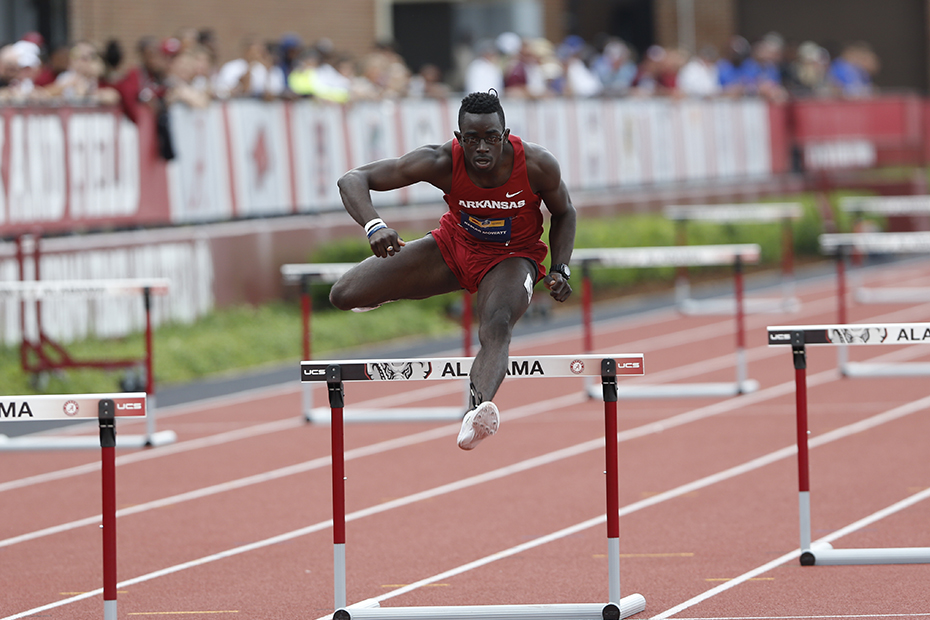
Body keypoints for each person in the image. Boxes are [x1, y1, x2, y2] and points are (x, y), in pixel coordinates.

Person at [329, 91, 576, 451]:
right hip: (453, 247)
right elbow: (352, 179)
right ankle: (391, 289)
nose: (482, 148)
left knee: (497, 323)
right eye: (471, 138)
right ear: (458, 138)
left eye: (491, 137)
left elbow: (565, 212)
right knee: (343, 295)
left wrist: (560, 268)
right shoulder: (442, 160)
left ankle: (477, 413)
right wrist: (374, 226)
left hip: (511, 258)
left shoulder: (538, 164)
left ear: (505, 135)